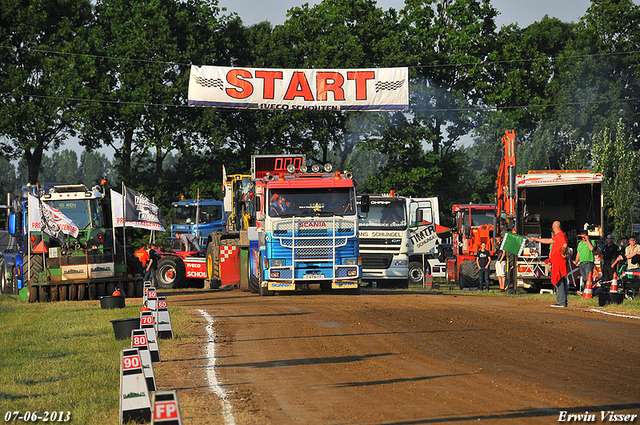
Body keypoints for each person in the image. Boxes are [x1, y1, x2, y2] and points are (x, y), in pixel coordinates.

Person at [529, 221, 569, 307]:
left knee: (559, 280)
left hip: (559, 261)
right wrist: (535, 239)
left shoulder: (561, 235)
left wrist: (562, 253)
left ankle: (561, 302)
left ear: (554, 227)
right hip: (556, 261)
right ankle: (561, 300)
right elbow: (547, 240)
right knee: (559, 280)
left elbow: (564, 245)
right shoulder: (557, 236)